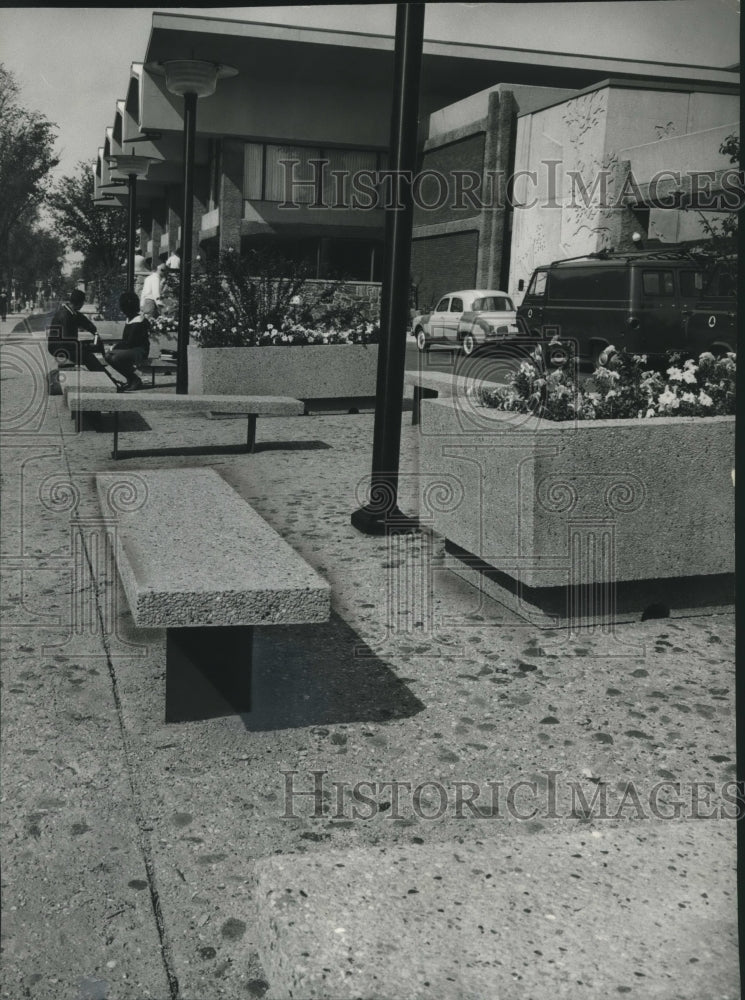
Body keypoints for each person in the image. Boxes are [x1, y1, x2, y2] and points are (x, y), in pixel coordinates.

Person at [47, 289, 106, 372]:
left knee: (92, 347)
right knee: (87, 355)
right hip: (59, 348)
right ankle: (102, 375)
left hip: (67, 345)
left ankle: (104, 373)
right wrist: (85, 346)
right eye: (82, 302)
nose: (82, 305)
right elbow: (68, 340)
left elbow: (86, 323)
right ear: (79, 303)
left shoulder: (71, 312)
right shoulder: (64, 315)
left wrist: (94, 332)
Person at [105, 291, 150, 391]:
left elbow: (130, 342)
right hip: (131, 349)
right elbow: (126, 340)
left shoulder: (139, 321)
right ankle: (130, 378)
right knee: (108, 356)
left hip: (140, 350)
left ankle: (135, 379)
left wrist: (114, 347)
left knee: (115, 357)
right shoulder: (130, 319)